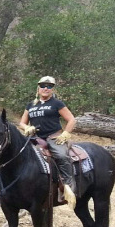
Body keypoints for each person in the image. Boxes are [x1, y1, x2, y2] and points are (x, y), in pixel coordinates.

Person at [18, 75, 78, 209]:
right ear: (38, 88)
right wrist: (26, 127)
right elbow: (22, 122)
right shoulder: (31, 105)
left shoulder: (57, 103)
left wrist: (66, 133)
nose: (46, 88)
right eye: (43, 86)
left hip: (53, 137)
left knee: (62, 156)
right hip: (34, 138)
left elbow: (72, 120)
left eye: (49, 86)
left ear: (52, 89)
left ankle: (68, 187)